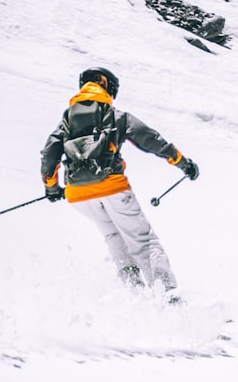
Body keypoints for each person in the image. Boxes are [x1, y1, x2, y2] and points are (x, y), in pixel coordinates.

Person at [40, 67, 200, 294]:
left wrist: (52, 188)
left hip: (78, 196)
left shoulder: (66, 120)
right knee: (144, 242)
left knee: (114, 237)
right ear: (106, 86)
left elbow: (49, 155)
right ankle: (168, 300)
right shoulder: (114, 116)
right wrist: (183, 163)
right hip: (113, 188)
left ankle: (133, 298)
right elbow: (151, 140)